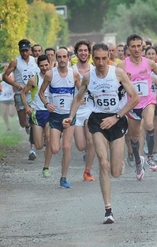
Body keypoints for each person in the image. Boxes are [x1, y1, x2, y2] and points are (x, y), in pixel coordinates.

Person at [63, 43, 139, 224]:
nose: (101, 62)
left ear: (108, 58)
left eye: (104, 58)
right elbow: (78, 98)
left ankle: (118, 161)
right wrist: (70, 117)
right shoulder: (88, 77)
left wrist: (116, 117)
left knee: (116, 172)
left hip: (117, 120)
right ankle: (108, 210)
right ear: (92, 58)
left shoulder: (117, 74)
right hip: (97, 121)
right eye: (97, 58)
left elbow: (134, 98)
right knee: (103, 163)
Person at [117, 34, 157, 179]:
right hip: (132, 106)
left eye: (139, 46)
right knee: (135, 137)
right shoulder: (122, 65)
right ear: (128, 48)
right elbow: (115, 83)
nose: (137, 49)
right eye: (133, 46)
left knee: (149, 124)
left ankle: (150, 156)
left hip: (147, 101)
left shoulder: (149, 63)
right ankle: (139, 162)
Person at [39, 48, 80, 188]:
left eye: (64, 57)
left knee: (66, 147)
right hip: (55, 117)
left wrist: (81, 101)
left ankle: (63, 178)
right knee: (55, 149)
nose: (62, 59)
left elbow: (81, 92)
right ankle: (55, 139)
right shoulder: (50, 74)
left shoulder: (74, 74)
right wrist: (47, 104)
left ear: (68, 58)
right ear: (55, 58)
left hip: (69, 116)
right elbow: (41, 93)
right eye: (59, 57)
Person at [3, 39, 39, 160]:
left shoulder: (35, 61)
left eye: (26, 51)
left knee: (34, 120)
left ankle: (32, 149)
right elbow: (4, 76)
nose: (24, 53)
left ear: (30, 50)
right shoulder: (15, 62)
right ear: (19, 51)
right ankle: (27, 125)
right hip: (19, 94)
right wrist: (15, 84)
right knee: (23, 123)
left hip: (32, 94)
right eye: (22, 51)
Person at [21, 54, 53, 178]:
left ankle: (46, 167)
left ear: (50, 64)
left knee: (49, 140)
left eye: (46, 65)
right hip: (37, 113)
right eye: (41, 66)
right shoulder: (34, 79)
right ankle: (41, 137)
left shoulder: (54, 77)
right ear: (38, 66)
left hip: (50, 113)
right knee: (39, 146)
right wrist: (27, 107)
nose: (44, 68)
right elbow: (23, 93)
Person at [72, 39, 96, 181]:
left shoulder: (94, 70)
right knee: (81, 146)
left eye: (85, 50)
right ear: (76, 53)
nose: (83, 53)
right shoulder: (72, 70)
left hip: (90, 109)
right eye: (80, 50)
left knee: (91, 141)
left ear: (89, 53)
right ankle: (87, 152)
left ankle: (87, 171)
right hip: (77, 110)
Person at [0, 63, 15, 131]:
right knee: (4, 111)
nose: (5, 68)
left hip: (11, 96)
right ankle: (8, 126)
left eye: (7, 66)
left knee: (11, 114)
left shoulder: (12, 75)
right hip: (3, 96)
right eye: (4, 66)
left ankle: (10, 109)